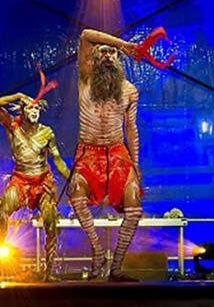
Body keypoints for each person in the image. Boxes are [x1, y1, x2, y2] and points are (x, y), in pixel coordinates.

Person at [69, 29, 143, 282]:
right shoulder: (85, 79)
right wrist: (123, 44)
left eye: (113, 52)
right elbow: (86, 35)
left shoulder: (129, 91)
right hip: (88, 153)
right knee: (76, 197)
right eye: (103, 51)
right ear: (94, 59)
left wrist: (136, 164)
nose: (108, 55)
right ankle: (98, 253)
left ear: (119, 61)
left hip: (118, 153)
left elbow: (132, 129)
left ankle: (117, 268)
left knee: (134, 211)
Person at [0, 92, 70, 281]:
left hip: (42, 182)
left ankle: (48, 272)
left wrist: (71, 177)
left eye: (37, 109)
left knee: (50, 221)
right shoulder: (13, 128)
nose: (34, 112)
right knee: (2, 213)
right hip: (20, 181)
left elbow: (57, 160)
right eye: (31, 108)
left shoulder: (47, 133)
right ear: (23, 110)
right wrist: (17, 95)